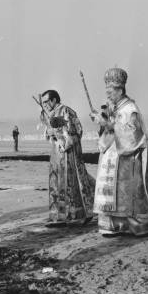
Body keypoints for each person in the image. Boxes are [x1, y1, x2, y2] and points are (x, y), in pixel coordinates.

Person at [91, 67, 148, 236]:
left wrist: (108, 125)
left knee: (125, 193)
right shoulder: (115, 108)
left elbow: (134, 135)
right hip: (111, 156)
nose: (108, 95)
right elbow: (108, 132)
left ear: (120, 89)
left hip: (126, 159)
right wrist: (102, 124)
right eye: (107, 91)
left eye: (110, 91)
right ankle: (112, 225)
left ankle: (128, 225)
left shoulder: (130, 108)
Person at [39, 90, 95, 226]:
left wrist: (60, 136)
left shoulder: (66, 111)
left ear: (53, 100)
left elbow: (76, 131)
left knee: (71, 183)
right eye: (43, 102)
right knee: (56, 182)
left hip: (68, 154)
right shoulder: (49, 113)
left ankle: (76, 214)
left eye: (46, 101)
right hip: (56, 154)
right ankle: (58, 216)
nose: (44, 104)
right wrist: (50, 132)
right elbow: (48, 132)